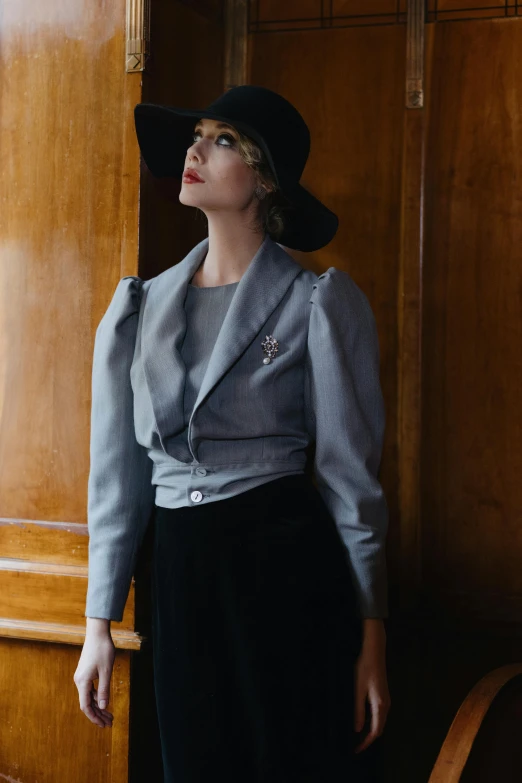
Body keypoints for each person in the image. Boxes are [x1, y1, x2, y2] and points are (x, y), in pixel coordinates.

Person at [74, 84, 391, 781]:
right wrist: (98, 622)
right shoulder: (136, 306)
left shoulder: (318, 302)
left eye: (221, 140)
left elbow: (350, 482)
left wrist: (372, 637)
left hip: (287, 571)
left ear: (265, 178)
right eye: (198, 134)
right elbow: (116, 479)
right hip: (180, 574)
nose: (195, 148)